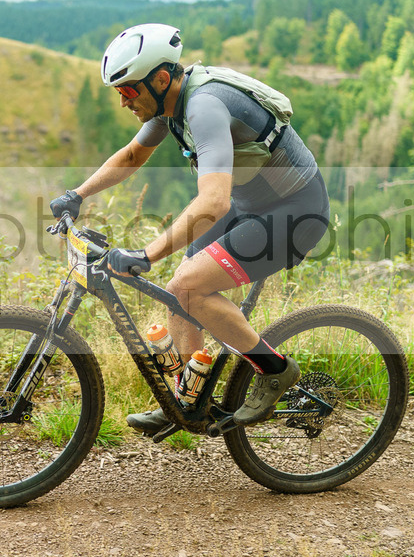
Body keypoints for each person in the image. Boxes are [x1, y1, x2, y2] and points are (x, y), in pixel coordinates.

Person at [49, 23, 330, 432]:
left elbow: (213, 201)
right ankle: (186, 400)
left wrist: (146, 254)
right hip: (251, 206)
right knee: (181, 286)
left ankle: (275, 371)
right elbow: (131, 155)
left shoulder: (204, 106)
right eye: (118, 92)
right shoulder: (169, 104)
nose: (124, 101)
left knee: (187, 285)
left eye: (128, 90)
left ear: (161, 78)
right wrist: (78, 193)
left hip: (295, 212)